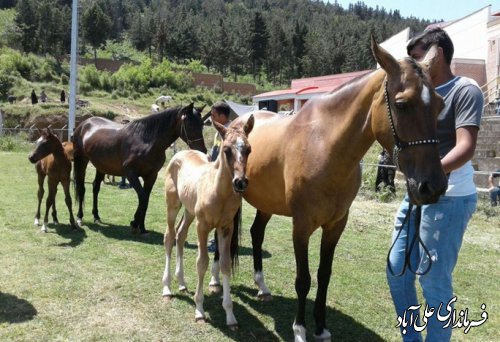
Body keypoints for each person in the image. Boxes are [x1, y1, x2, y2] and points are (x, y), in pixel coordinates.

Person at [386, 27, 483, 342]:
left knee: (433, 282)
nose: (412, 63)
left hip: (450, 197)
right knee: (397, 270)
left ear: (436, 53)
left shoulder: (465, 90)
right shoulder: (421, 94)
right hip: (418, 194)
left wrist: (430, 171)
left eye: (417, 56)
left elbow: (465, 147)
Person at [207, 101, 231, 252]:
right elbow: (216, 148)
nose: (211, 117)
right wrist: (210, 155)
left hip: (225, 178)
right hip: (215, 172)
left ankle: (218, 241)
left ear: (222, 116)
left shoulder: (229, 131)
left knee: (221, 210)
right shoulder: (219, 130)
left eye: (214, 115)